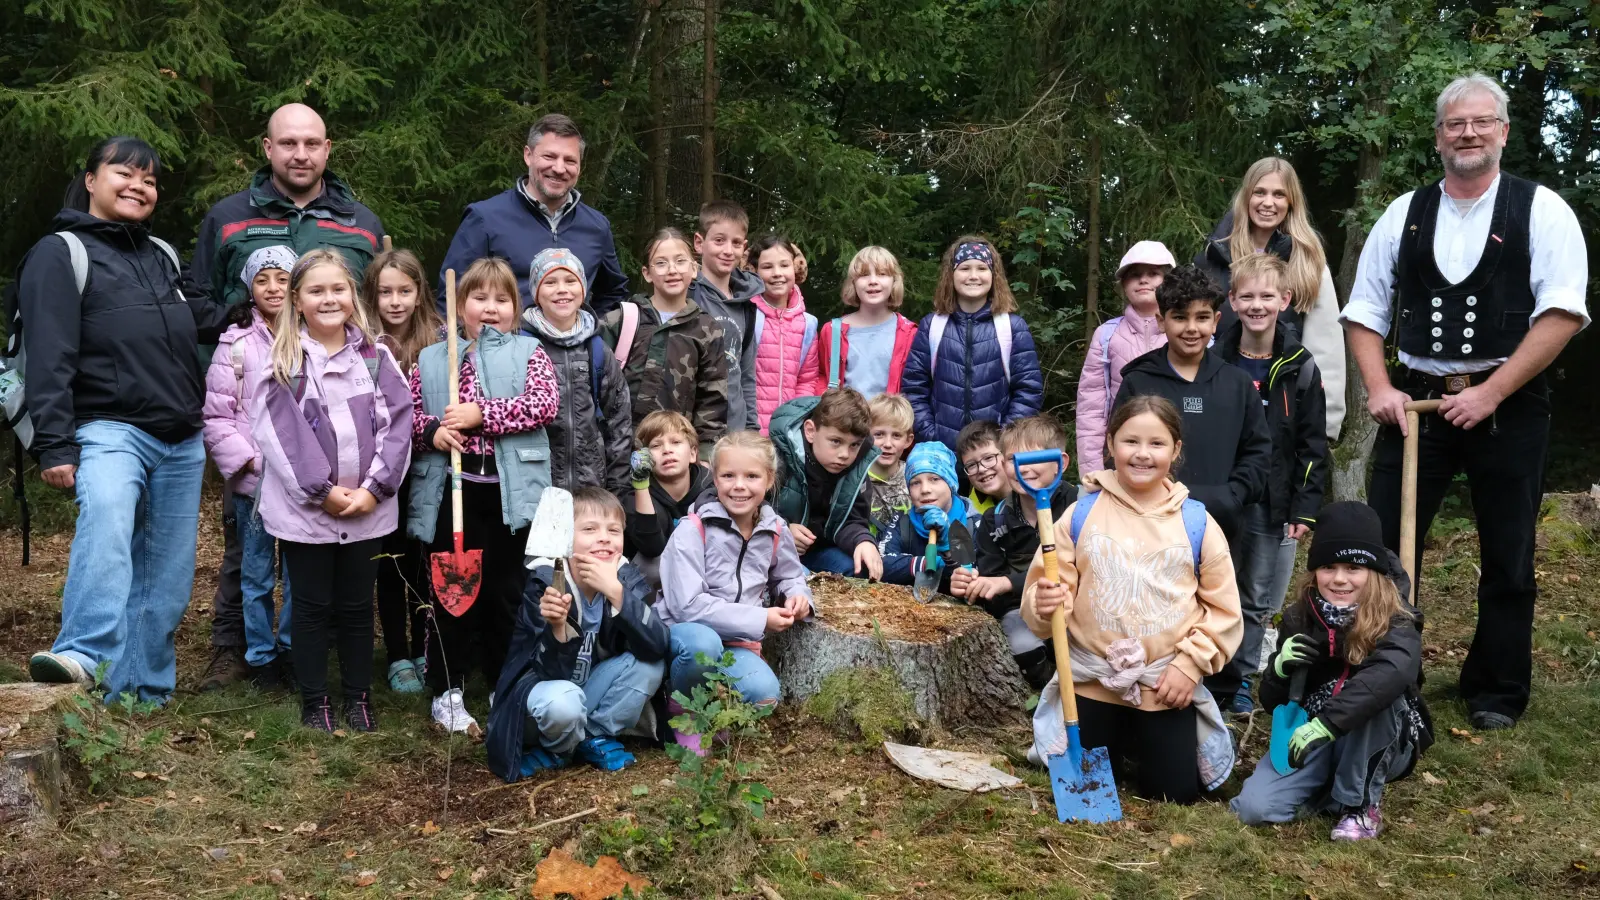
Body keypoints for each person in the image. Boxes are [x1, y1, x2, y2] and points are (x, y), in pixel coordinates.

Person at [1341, 73, 1589, 731]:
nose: (1469, 133)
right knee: (1389, 551)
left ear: (1503, 132)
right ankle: (1393, 673)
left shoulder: (1542, 210)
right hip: (1413, 408)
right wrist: (1378, 387)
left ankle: (1497, 690)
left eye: (1482, 122)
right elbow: (1363, 312)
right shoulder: (1405, 212)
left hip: (1509, 404)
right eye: (1456, 123)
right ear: (1439, 136)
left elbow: (1563, 313)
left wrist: (1491, 392)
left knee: (1509, 552)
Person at [23, 137, 230, 701]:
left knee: (167, 571)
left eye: (150, 180)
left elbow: (205, 317)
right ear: (90, 180)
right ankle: (82, 657)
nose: (140, 186)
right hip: (108, 429)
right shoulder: (60, 252)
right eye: (126, 173)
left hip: (181, 438)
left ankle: (141, 690)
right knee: (109, 525)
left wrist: (277, 300)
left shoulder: (160, 253)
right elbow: (50, 353)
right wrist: (55, 444)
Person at [192, 102, 387, 692]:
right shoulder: (227, 218)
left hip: (336, 422)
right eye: (288, 143)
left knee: (318, 538)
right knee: (245, 543)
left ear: (328, 149)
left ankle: (310, 644)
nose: (300, 154)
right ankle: (237, 647)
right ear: (267, 147)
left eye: (312, 143)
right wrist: (248, 329)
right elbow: (196, 300)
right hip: (253, 420)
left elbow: (378, 309)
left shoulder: (360, 221)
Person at [1022, 396, 1242, 804]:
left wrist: (1190, 664)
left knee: (1172, 793)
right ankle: (1115, 739)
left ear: (1176, 450)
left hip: (1163, 685)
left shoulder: (1196, 523)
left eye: (1157, 444)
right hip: (1090, 683)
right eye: (1130, 441)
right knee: (1083, 790)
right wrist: (1046, 602)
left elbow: (1224, 610)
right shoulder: (1079, 516)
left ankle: (1142, 743)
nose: (1142, 454)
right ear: (1109, 444)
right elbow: (1045, 595)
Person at [249, 250, 412, 732]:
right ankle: (314, 700)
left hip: (367, 510)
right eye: (316, 291)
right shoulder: (283, 363)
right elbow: (280, 434)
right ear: (297, 301)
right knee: (313, 605)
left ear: (352, 296)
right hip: (309, 514)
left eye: (337, 289)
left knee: (359, 607)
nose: (328, 299)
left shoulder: (377, 358)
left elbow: (398, 423)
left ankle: (358, 697)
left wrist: (374, 489)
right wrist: (323, 492)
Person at [409, 257, 561, 735]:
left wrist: (482, 414)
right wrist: (432, 431)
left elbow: (542, 404)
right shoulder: (434, 359)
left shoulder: (528, 352)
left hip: (509, 498)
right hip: (455, 495)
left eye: (501, 300)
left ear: (515, 309)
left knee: (505, 593)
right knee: (453, 591)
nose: (490, 308)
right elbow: (409, 416)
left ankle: (503, 681)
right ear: (459, 306)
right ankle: (447, 689)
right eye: (479, 298)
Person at [1233, 502, 1433, 841]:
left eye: (1353, 567)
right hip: (1313, 732)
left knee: (1375, 696)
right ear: (1315, 571)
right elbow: (1274, 703)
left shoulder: (1399, 619)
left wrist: (1327, 725)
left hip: (1383, 736)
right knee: (1253, 809)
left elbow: (1389, 675)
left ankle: (1359, 805)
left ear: (1373, 573)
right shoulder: (1299, 616)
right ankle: (1330, 790)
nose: (1339, 579)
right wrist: (1279, 671)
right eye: (1328, 567)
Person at [1211, 253, 1328, 714]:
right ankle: (1205, 668)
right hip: (1219, 494)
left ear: (1286, 299)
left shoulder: (1300, 366)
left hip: (1271, 501)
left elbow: (1311, 446)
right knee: (1208, 582)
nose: (1257, 305)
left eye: (1267, 296)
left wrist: (1304, 508)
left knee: (1256, 595)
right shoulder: (1214, 358)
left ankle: (1240, 677)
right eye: (1247, 296)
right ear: (1231, 301)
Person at [486, 486, 669, 780]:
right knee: (565, 700)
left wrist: (617, 593)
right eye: (589, 529)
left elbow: (658, 645)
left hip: (591, 692)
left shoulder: (624, 577)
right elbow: (548, 673)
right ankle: (557, 747)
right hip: (542, 700)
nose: (604, 538)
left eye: (614, 530)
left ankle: (592, 736)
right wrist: (557, 627)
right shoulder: (546, 583)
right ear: (566, 537)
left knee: (650, 664)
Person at [657, 431, 814, 755]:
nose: (739, 485)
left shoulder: (775, 529)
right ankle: (683, 712)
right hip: (685, 633)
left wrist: (798, 597)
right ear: (715, 478)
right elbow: (687, 606)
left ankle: (718, 711)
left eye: (751, 476)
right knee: (704, 644)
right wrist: (760, 618)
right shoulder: (693, 529)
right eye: (728, 475)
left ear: (769, 480)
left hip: (739, 640)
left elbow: (789, 574)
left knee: (764, 693)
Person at [1112, 265, 1272, 544]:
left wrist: (1232, 496)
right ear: (1161, 321)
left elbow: (1258, 452)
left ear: (1215, 320)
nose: (1191, 328)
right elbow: (1117, 448)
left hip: (1221, 528)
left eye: (1202, 317)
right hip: (1148, 527)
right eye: (1180, 317)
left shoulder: (1238, 383)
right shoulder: (1138, 381)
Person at [1195, 156, 1346, 440]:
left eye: (1279, 194)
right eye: (1260, 192)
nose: (1268, 202)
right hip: (1222, 405)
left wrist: (1326, 424)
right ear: (1246, 196)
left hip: (1286, 409)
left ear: (1291, 202)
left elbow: (1327, 347)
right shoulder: (1213, 258)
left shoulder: (1309, 263)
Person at [202, 246, 298, 691]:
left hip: (304, 481)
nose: (274, 288)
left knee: (299, 573)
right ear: (250, 288)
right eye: (264, 281)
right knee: (255, 572)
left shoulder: (312, 334)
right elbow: (218, 416)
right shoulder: (236, 343)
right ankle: (260, 656)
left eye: (282, 278)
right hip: (255, 482)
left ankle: (294, 649)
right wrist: (249, 461)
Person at [436, 114, 629, 316]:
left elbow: (613, 294)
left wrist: (592, 335)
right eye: (549, 157)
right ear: (528, 155)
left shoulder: (596, 226)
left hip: (575, 346)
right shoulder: (485, 219)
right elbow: (451, 297)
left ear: (580, 166)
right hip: (503, 345)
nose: (559, 168)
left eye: (570, 160)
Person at [359, 248, 441, 693]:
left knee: (424, 558)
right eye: (385, 291)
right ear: (372, 294)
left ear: (418, 292)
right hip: (381, 469)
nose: (395, 301)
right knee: (390, 562)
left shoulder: (440, 338)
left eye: (404, 291)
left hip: (429, 466)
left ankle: (424, 644)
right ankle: (396, 654)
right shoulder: (361, 340)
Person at [955, 414, 1073, 689]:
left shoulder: (1079, 508)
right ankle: (1044, 693)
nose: (1024, 468)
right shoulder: (994, 521)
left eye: (1034, 458)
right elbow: (993, 593)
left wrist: (1008, 581)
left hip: (1074, 611)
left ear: (1060, 464)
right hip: (1023, 615)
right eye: (1013, 459)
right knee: (1022, 645)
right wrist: (976, 584)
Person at [901, 235, 1044, 455]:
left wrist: (1002, 439)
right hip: (942, 453)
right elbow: (914, 388)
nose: (973, 276)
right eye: (965, 268)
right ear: (952, 274)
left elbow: (1028, 391)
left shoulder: (1012, 327)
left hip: (994, 455)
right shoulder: (932, 326)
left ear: (993, 275)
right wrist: (931, 435)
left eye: (982, 268)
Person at [601, 227, 727, 458]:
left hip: (676, 454)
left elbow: (712, 400)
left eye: (680, 261)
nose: (672, 270)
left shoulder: (707, 329)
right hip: (618, 451)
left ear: (694, 270)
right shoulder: (621, 320)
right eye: (661, 263)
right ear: (647, 273)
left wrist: (705, 456)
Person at [520, 249, 633, 495]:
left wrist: (618, 488)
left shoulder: (597, 350)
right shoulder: (522, 347)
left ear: (583, 290)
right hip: (536, 485)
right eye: (550, 282)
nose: (562, 289)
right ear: (536, 293)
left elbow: (618, 422)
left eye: (571, 281)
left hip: (591, 485)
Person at [1077, 241, 1173, 484]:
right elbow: (1091, 409)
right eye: (1134, 275)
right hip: (1122, 459)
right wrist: (1094, 472)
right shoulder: (1107, 335)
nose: (1143, 280)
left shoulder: (1187, 333)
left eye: (1153, 273)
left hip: (1174, 459)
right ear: (1123, 285)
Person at [769, 388, 884, 579]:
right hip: (770, 548)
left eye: (854, 444)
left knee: (857, 568)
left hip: (818, 552)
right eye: (836, 441)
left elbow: (852, 520)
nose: (845, 454)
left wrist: (863, 541)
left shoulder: (857, 467)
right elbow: (751, 508)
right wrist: (782, 528)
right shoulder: (777, 457)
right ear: (810, 431)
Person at [797, 246, 919, 397]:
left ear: (894, 281)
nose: (873, 281)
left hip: (890, 419)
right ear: (853, 282)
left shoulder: (910, 333)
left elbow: (916, 388)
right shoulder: (833, 331)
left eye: (882, 274)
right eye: (864, 275)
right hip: (844, 419)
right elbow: (820, 378)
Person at [688, 200, 764, 433]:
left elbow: (746, 374)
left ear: (745, 248)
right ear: (699, 243)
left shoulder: (747, 306)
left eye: (736, 243)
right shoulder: (686, 295)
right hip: (692, 429)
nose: (728, 250)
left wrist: (751, 429)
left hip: (734, 429)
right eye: (719, 240)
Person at [623, 411, 714, 593]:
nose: (667, 450)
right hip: (653, 590)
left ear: (693, 453)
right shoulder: (635, 498)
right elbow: (652, 548)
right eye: (656, 445)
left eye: (676, 442)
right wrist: (640, 484)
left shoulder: (713, 489)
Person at [878, 442, 972, 590]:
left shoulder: (974, 521)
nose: (925, 489)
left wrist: (949, 546)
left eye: (934, 479)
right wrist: (929, 562)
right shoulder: (903, 522)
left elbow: (976, 574)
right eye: (915, 483)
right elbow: (881, 563)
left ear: (951, 483)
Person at [749, 234, 817, 433]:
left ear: (795, 268)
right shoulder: (747, 315)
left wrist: (795, 419)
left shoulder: (808, 324)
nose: (777, 273)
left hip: (788, 431)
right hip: (750, 432)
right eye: (767, 267)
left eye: (784, 265)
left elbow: (807, 378)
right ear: (754, 271)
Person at [865, 394, 915, 536]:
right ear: (865, 435)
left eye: (896, 436)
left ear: (908, 440)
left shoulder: (915, 478)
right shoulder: (855, 478)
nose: (887, 444)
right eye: (879, 434)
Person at [957, 420, 1011, 524]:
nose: (981, 469)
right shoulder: (970, 509)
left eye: (989, 458)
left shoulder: (1028, 497)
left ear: (1006, 454)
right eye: (971, 465)